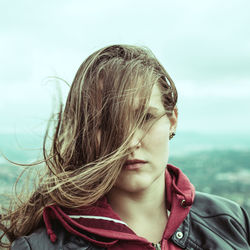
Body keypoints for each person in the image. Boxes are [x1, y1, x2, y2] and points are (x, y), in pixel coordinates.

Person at [0, 45, 249, 250]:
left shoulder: (231, 220)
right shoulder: (38, 247)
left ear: (172, 120)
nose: (130, 142)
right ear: (85, 132)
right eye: (106, 124)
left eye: (145, 118)